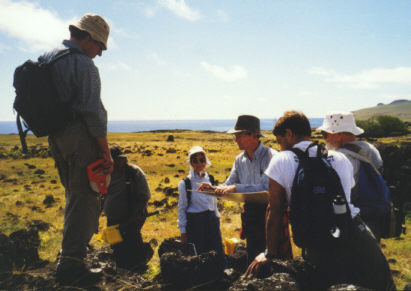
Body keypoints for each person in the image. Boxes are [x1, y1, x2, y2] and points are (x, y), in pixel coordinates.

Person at [246, 111, 395, 290]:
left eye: (279, 141)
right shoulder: (339, 157)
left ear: (289, 134)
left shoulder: (281, 160)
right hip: (354, 231)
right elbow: (347, 198)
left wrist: (269, 253)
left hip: (316, 242)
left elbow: (275, 209)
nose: (280, 147)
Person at [44, 14, 113, 284]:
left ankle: (68, 256)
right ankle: (71, 264)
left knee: (73, 195)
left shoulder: (50, 58)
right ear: (88, 38)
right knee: (85, 197)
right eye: (100, 47)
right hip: (79, 138)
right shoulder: (83, 65)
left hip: (56, 139)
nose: (99, 54)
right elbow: (93, 113)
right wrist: (105, 153)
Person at [199, 115, 282, 263]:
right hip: (250, 216)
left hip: (271, 215)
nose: (236, 140)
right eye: (234, 136)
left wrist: (235, 188)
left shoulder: (271, 156)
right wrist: (213, 188)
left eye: (239, 135)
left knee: (273, 260)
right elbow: (229, 183)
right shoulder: (239, 160)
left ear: (253, 135)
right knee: (252, 256)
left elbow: (264, 188)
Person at [318, 111, 385, 241]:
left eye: (325, 134)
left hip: (354, 218)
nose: (324, 139)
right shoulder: (369, 149)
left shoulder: (342, 158)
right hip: (375, 212)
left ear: (338, 134)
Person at [103, 145, 152, 270]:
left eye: (120, 160)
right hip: (112, 221)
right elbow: (101, 196)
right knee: (116, 248)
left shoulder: (134, 172)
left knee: (132, 246)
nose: (120, 163)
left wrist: (135, 216)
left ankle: (138, 270)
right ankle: (120, 273)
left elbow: (144, 196)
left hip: (132, 218)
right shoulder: (106, 174)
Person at [177, 146, 225, 268]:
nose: (199, 163)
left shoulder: (211, 179)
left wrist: (216, 219)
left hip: (212, 221)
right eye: (195, 160)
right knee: (200, 256)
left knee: (218, 253)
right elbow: (181, 208)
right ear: (191, 162)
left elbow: (214, 203)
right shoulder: (185, 183)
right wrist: (183, 232)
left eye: (202, 160)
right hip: (195, 223)